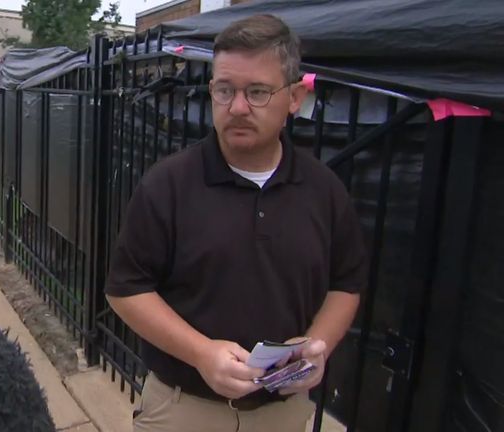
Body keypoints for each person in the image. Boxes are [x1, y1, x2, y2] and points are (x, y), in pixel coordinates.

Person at [105, 15, 368, 432]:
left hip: (284, 413)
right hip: (182, 410)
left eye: (258, 92)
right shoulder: (168, 185)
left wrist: (316, 344)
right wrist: (201, 352)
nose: (238, 107)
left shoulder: (325, 191)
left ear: (295, 97)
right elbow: (125, 290)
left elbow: (346, 284)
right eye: (225, 90)